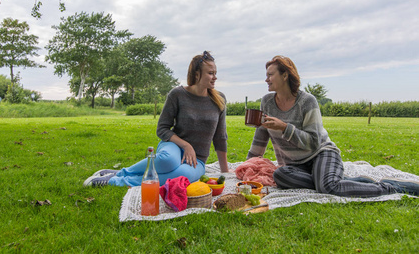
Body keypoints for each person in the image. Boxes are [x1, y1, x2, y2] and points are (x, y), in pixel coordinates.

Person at [247, 55, 419, 197]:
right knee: (280, 175)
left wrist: (285, 128)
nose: (266, 79)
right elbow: (261, 135)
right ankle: (332, 179)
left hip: (321, 154)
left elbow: (314, 142)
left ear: (285, 75)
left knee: (328, 188)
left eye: (270, 75)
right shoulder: (267, 102)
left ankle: (390, 187)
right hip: (294, 165)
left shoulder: (307, 101)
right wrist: (248, 165)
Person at [84, 51, 230, 187]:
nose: (215, 77)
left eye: (215, 73)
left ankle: (117, 180)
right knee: (168, 161)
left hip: (197, 159)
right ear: (197, 74)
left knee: (181, 175)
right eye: (211, 73)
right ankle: (123, 172)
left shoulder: (219, 99)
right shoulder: (177, 94)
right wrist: (185, 145)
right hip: (173, 146)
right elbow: (162, 129)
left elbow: (220, 137)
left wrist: (225, 173)